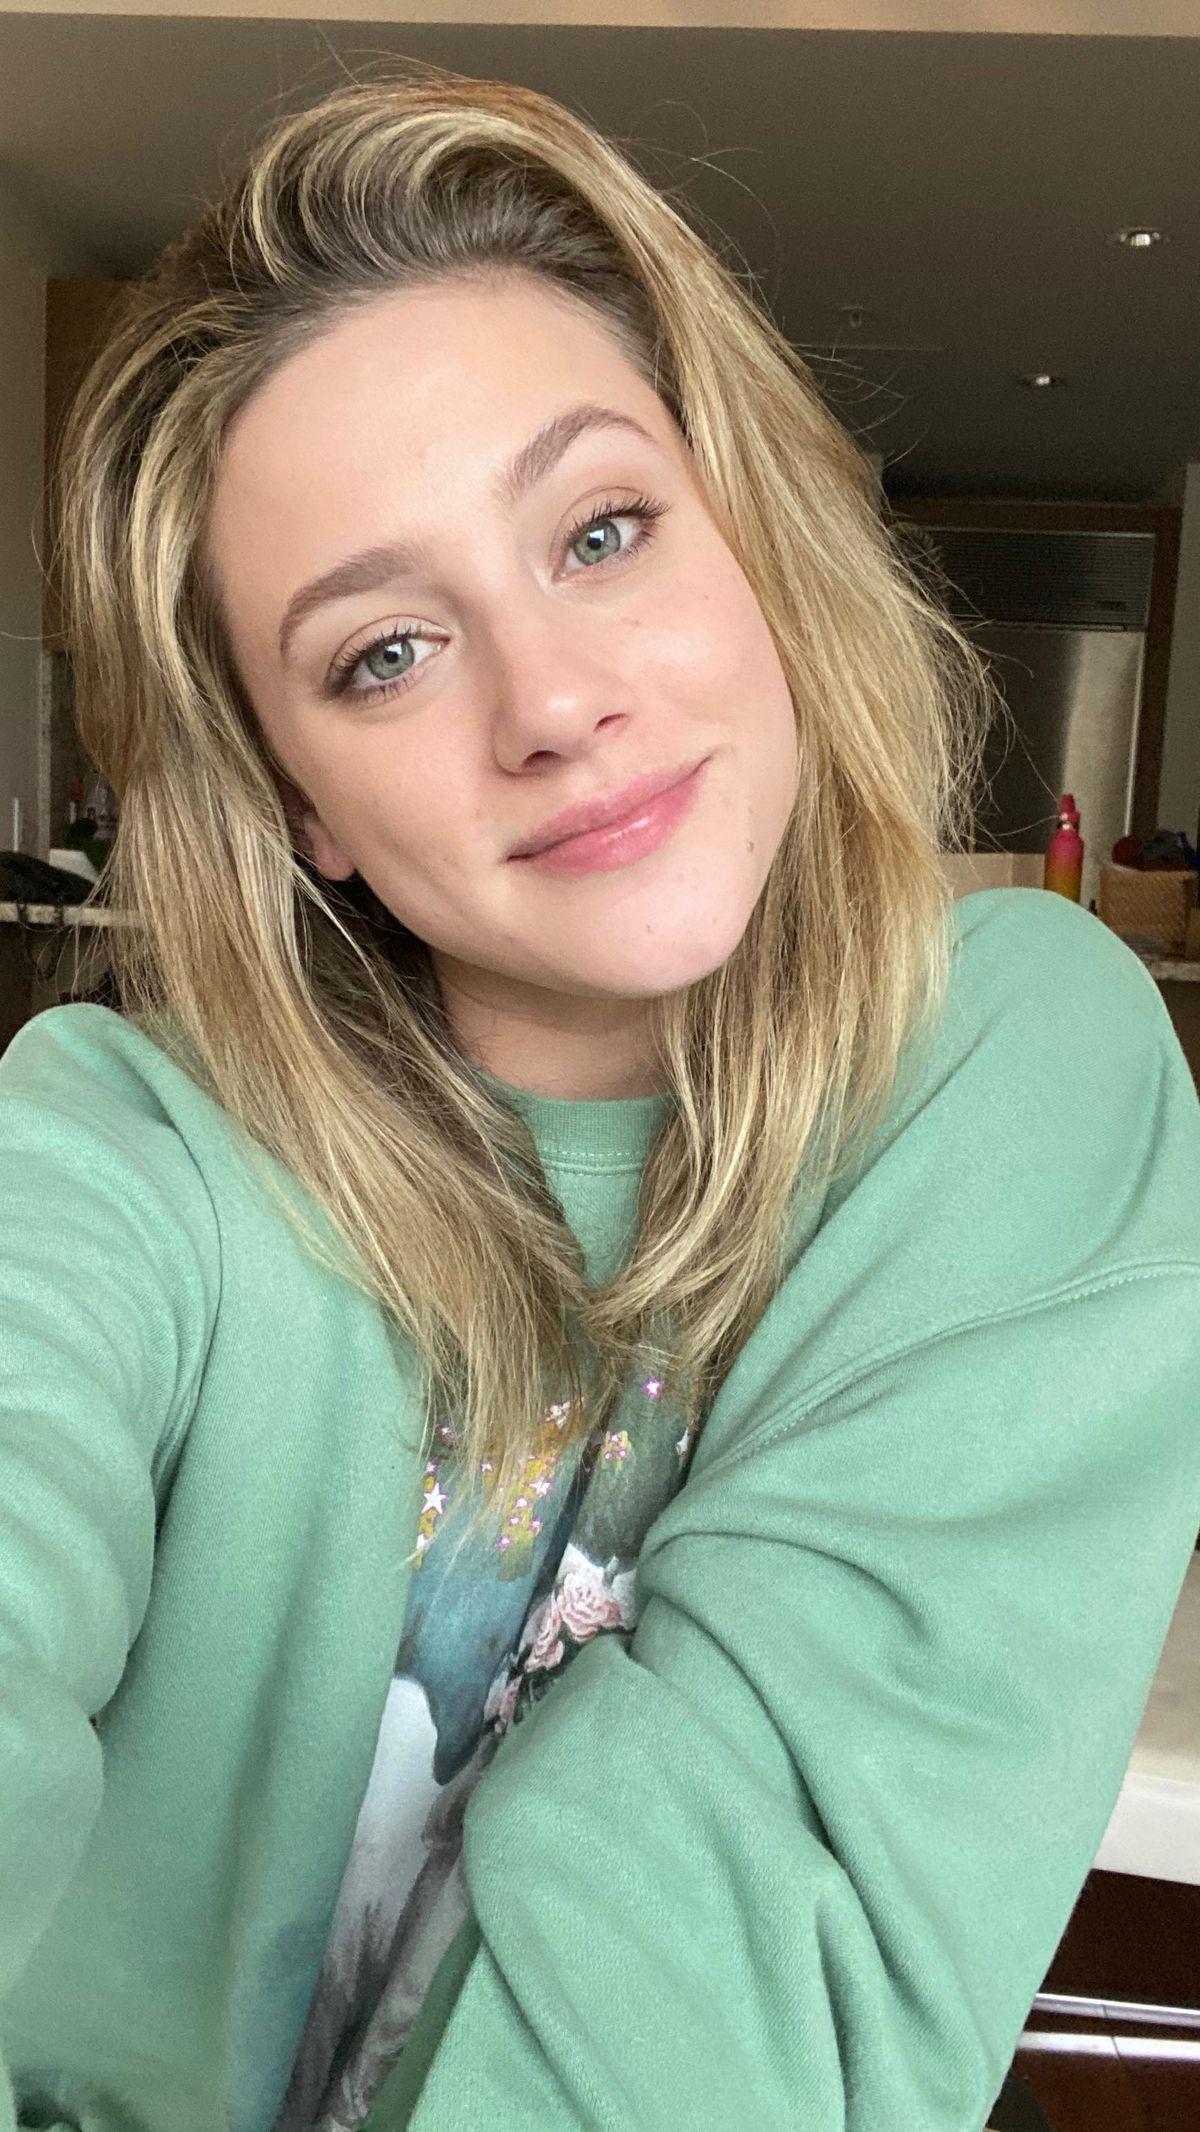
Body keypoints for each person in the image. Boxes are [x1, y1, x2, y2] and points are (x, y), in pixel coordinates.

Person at [1, 59, 1198, 2132]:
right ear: (304, 809)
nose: (553, 702)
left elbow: (743, 1970)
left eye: (605, 529)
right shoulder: (125, 1145)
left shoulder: (1017, 1059)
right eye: (383, 653)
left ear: (756, 539)